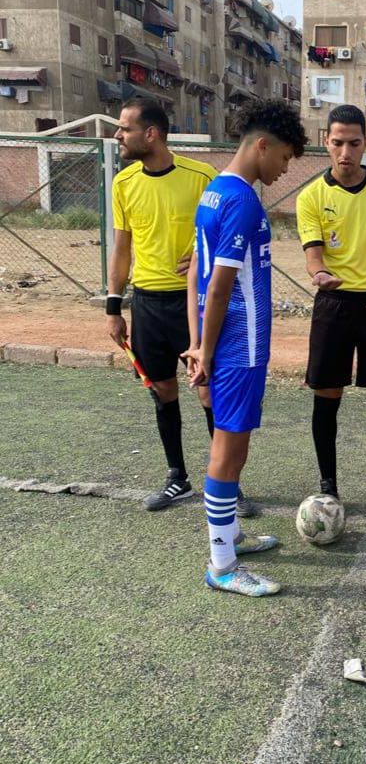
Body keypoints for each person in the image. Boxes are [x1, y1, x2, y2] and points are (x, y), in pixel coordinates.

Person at [105, 98, 256, 518]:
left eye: (125, 128)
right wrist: (114, 307)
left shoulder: (202, 177)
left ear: (150, 133)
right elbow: (122, 249)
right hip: (147, 304)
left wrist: (204, 254)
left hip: (194, 303)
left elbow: (224, 229)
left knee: (208, 392)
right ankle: (177, 476)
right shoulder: (123, 183)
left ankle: (226, 482)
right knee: (162, 390)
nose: (118, 135)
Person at [184, 101, 308, 597]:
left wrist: (197, 343)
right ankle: (222, 567)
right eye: (286, 157)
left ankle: (231, 537)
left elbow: (193, 272)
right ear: (262, 146)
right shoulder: (242, 201)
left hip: (224, 343)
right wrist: (207, 350)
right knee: (229, 450)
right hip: (239, 345)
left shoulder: (213, 191)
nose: (285, 168)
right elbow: (217, 285)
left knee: (232, 445)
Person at [296, 104, 366, 523]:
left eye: (354, 143)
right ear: (326, 142)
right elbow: (313, 255)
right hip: (334, 307)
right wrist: (319, 274)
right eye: (338, 142)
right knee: (327, 400)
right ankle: (328, 487)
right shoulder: (311, 196)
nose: (346, 152)